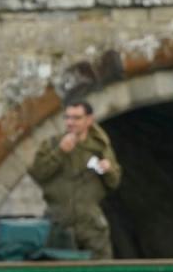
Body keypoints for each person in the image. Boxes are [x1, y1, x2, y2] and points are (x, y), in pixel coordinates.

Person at [28, 100, 122, 259]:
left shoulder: (100, 148)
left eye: (77, 118)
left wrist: (108, 170)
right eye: (67, 118)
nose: (70, 122)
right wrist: (60, 152)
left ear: (89, 120)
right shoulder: (52, 145)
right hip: (59, 224)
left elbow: (114, 183)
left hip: (91, 225)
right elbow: (38, 174)